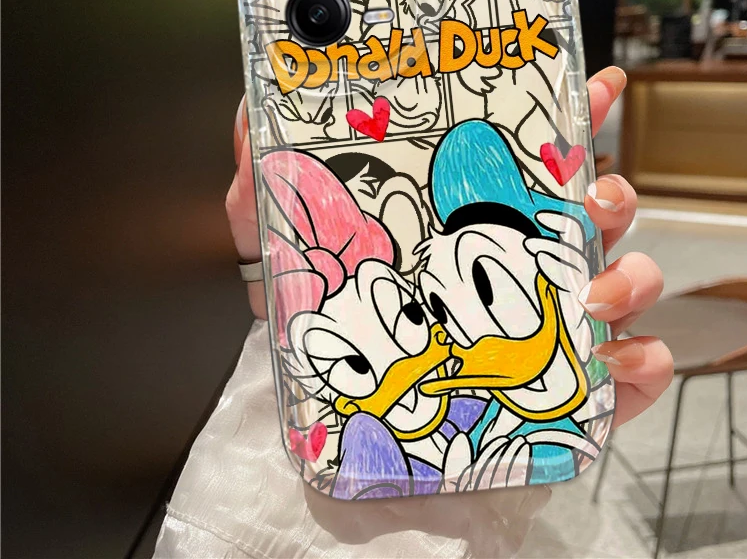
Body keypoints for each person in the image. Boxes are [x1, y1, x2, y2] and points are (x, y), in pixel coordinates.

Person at [153, 65, 674, 558]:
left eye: (420, 313)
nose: (462, 336)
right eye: (434, 309)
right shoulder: (415, 397)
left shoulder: (476, 405)